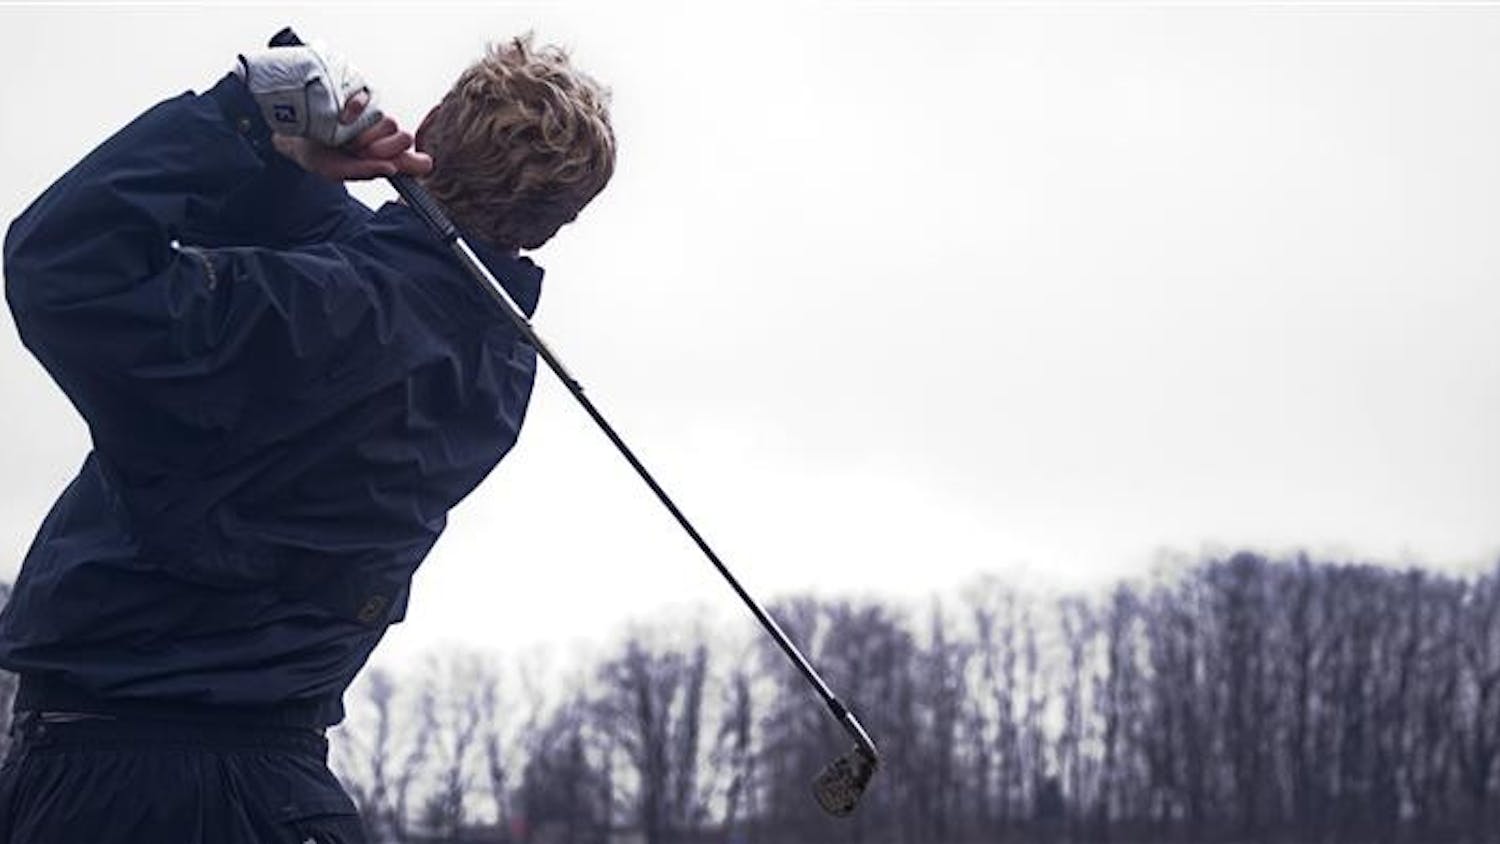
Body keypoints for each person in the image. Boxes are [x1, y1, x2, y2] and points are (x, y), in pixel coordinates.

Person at [0, 31, 614, 843]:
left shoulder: (319, 315)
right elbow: (367, 274)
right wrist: (285, 162)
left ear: (426, 129)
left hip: (122, 789)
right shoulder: (490, 366)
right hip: (286, 797)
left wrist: (240, 118)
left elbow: (65, 261)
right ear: (553, 224)